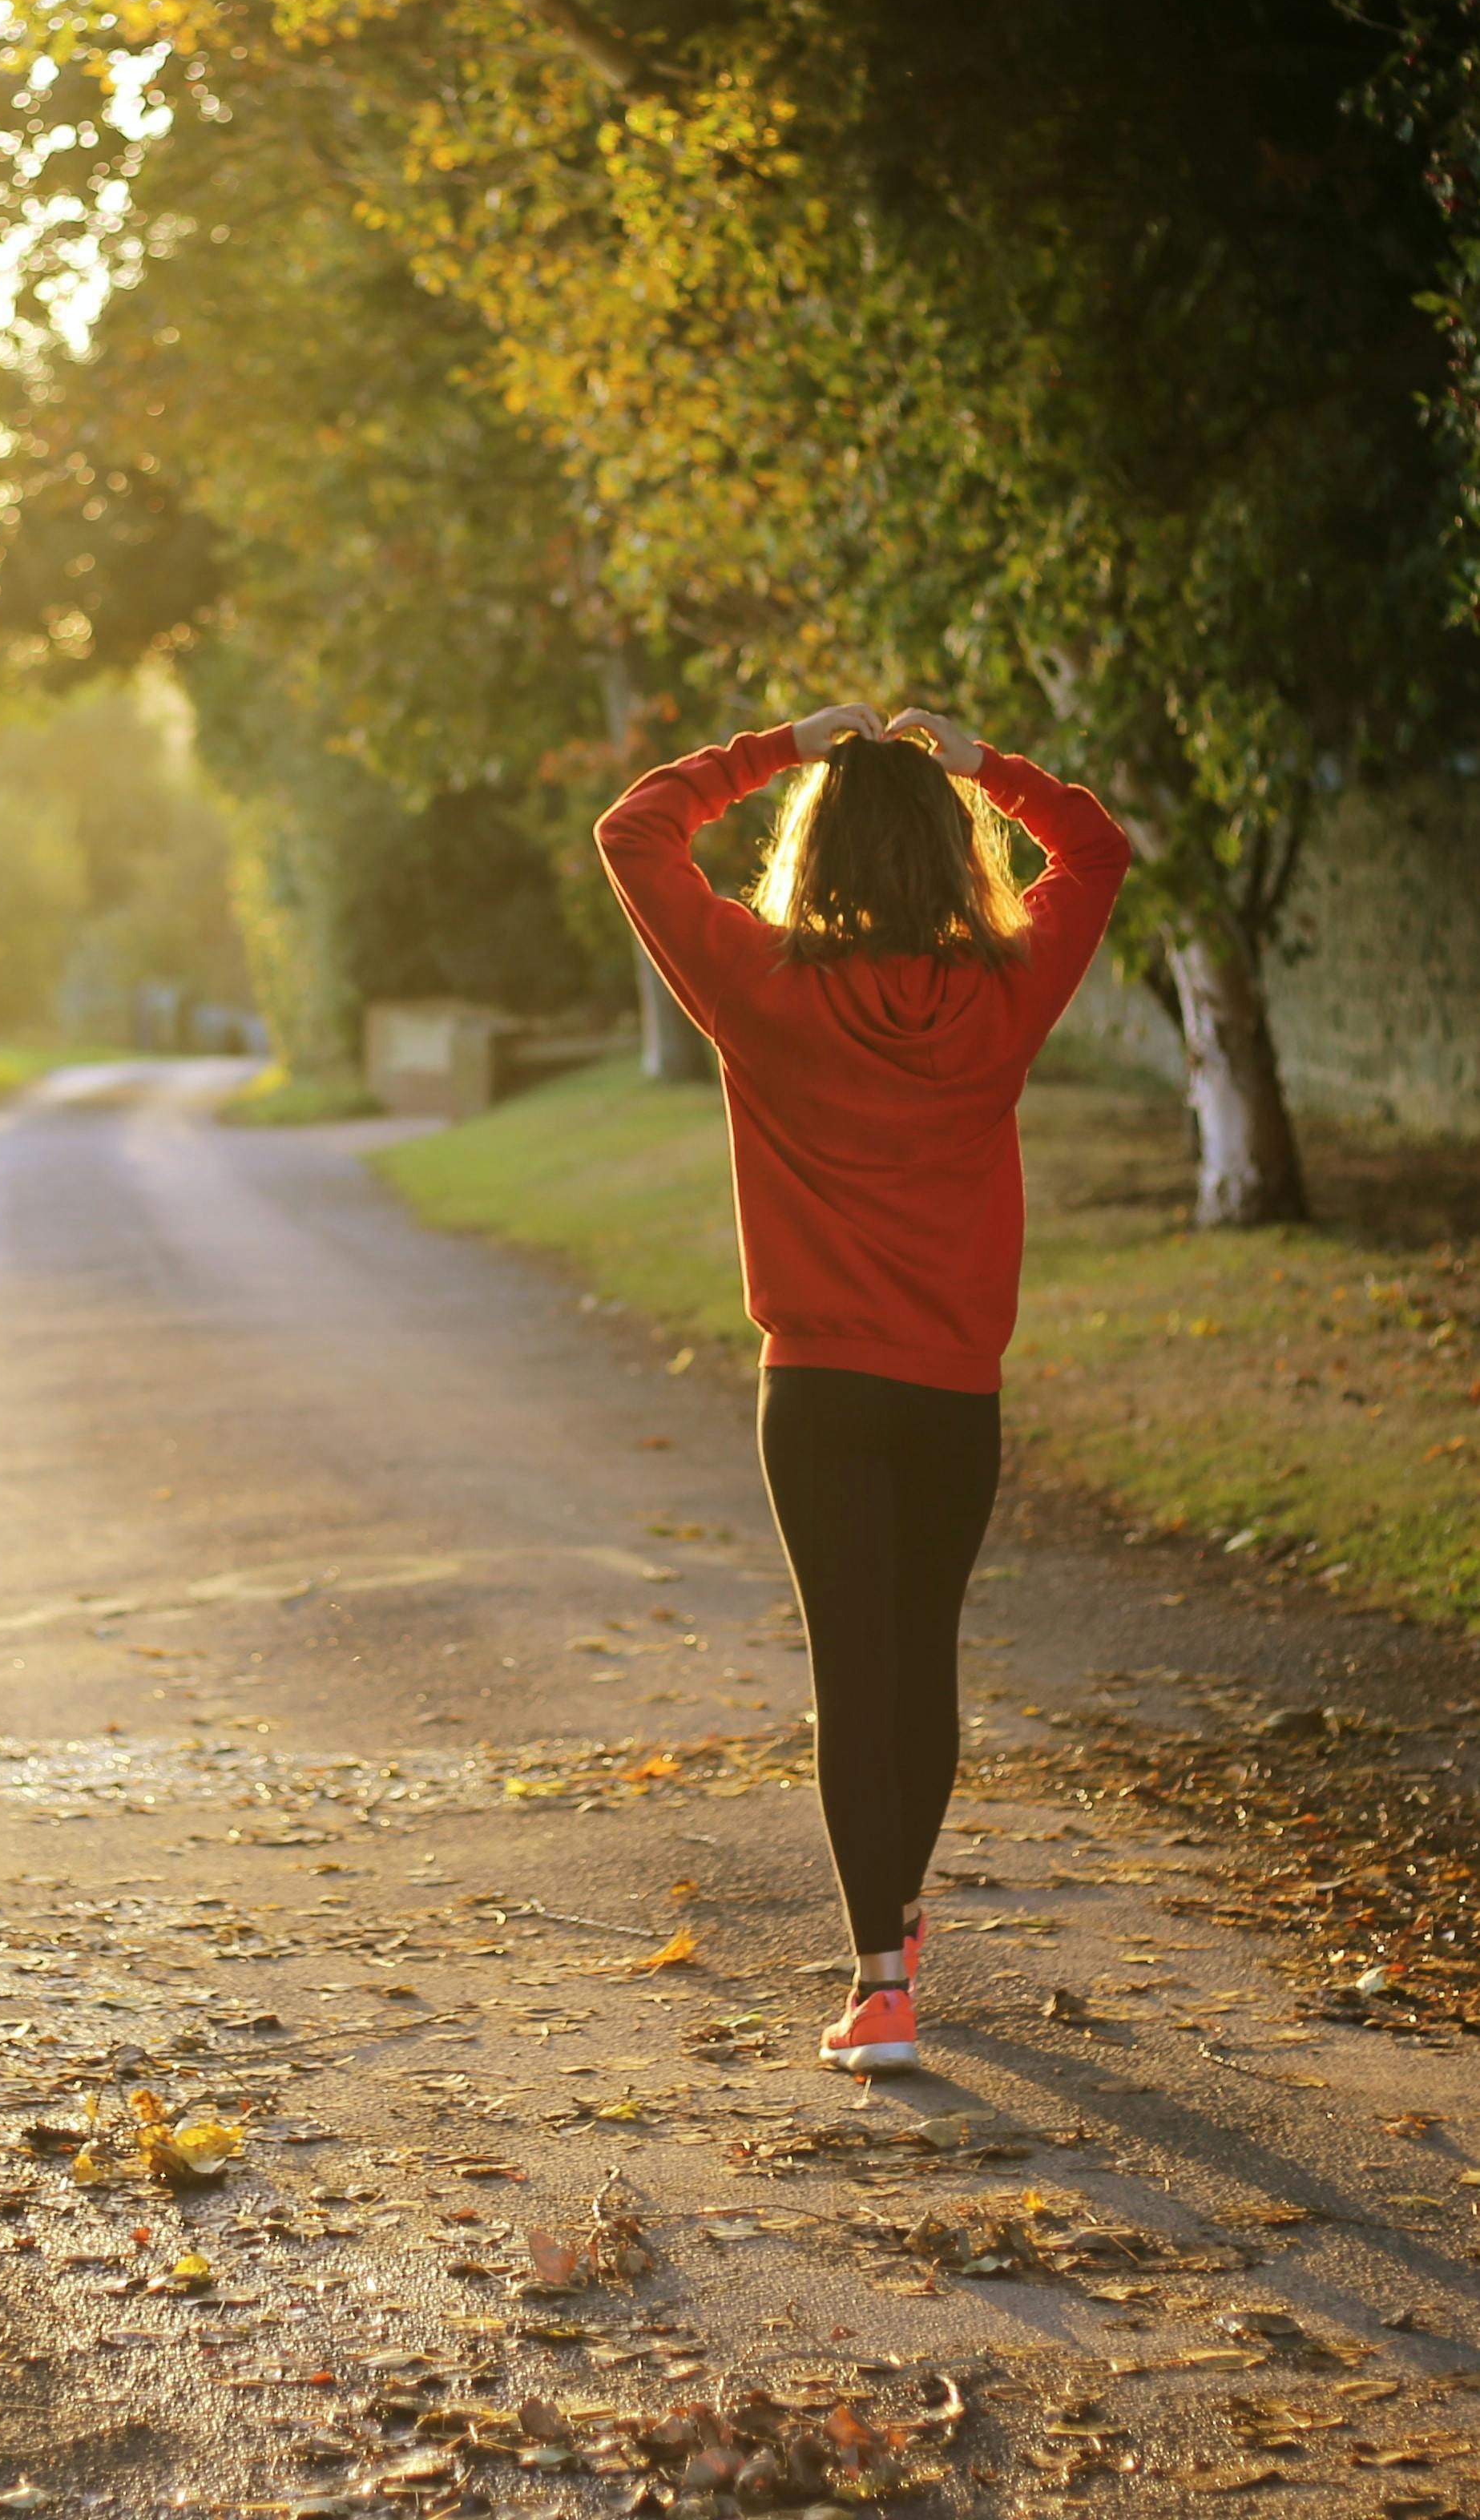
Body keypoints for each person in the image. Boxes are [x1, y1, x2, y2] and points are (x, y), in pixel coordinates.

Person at [595, 703, 1130, 2073]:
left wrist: (779, 746)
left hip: (819, 1391)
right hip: (954, 1390)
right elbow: (1099, 847)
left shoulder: (759, 982)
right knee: (923, 1656)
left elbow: (634, 831)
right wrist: (986, 767)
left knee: (854, 1667)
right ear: (954, 857)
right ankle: (892, 1924)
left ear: (814, 850)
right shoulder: (1007, 987)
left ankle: (880, 1979)